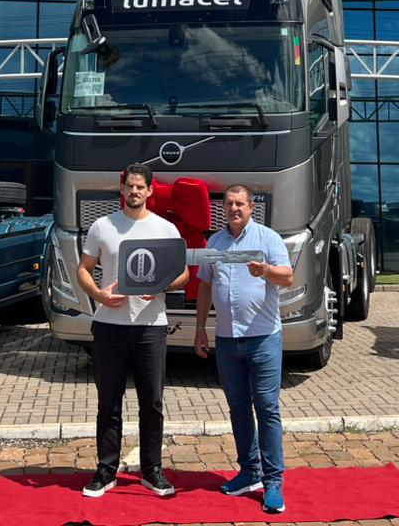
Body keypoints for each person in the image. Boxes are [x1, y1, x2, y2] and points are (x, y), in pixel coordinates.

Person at [77, 163, 188, 498]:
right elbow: (84, 268)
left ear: (150, 191)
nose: (135, 191)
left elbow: (183, 273)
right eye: (130, 186)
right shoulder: (102, 226)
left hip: (150, 327)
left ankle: (152, 471)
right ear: (122, 189)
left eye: (141, 187)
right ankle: (105, 471)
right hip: (109, 327)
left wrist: (162, 285)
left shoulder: (166, 229)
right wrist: (98, 294)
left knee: (152, 402)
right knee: (108, 402)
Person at [194, 183, 294, 515]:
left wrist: (266, 270)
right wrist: (200, 329)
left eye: (240, 203)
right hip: (226, 340)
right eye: (229, 204)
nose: (234, 208)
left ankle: (273, 481)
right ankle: (249, 471)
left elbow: (288, 277)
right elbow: (205, 285)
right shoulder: (214, 243)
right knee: (238, 408)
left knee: (267, 408)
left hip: (263, 338)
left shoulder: (268, 239)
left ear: (251, 207)